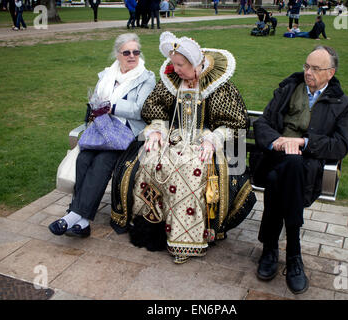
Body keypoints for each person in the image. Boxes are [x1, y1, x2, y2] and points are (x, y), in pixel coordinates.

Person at [110, 31, 256, 264]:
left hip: (209, 143)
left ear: (195, 63)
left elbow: (234, 123)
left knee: (188, 169)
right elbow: (156, 111)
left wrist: (212, 140)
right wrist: (156, 130)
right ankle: (152, 226)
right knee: (150, 159)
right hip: (174, 139)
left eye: (180, 65)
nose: (174, 69)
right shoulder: (172, 82)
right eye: (173, 63)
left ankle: (186, 240)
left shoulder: (219, 87)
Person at [252, 46, 348, 295]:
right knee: (286, 169)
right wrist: (277, 140)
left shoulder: (341, 103)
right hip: (274, 157)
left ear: (330, 73)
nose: (308, 72)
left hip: (306, 165)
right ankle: (293, 256)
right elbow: (263, 122)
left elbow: (341, 144)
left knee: (288, 171)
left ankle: (270, 248)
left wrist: (303, 143)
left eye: (315, 68)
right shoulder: (288, 89)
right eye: (306, 66)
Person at [48, 34, 156, 238]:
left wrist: (110, 106)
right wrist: (97, 109)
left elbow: (139, 109)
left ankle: (73, 216)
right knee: (84, 159)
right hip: (101, 129)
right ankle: (82, 222)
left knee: (103, 162)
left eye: (136, 52)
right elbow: (94, 102)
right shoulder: (107, 75)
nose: (132, 56)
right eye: (127, 52)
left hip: (126, 135)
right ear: (118, 54)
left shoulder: (146, 77)